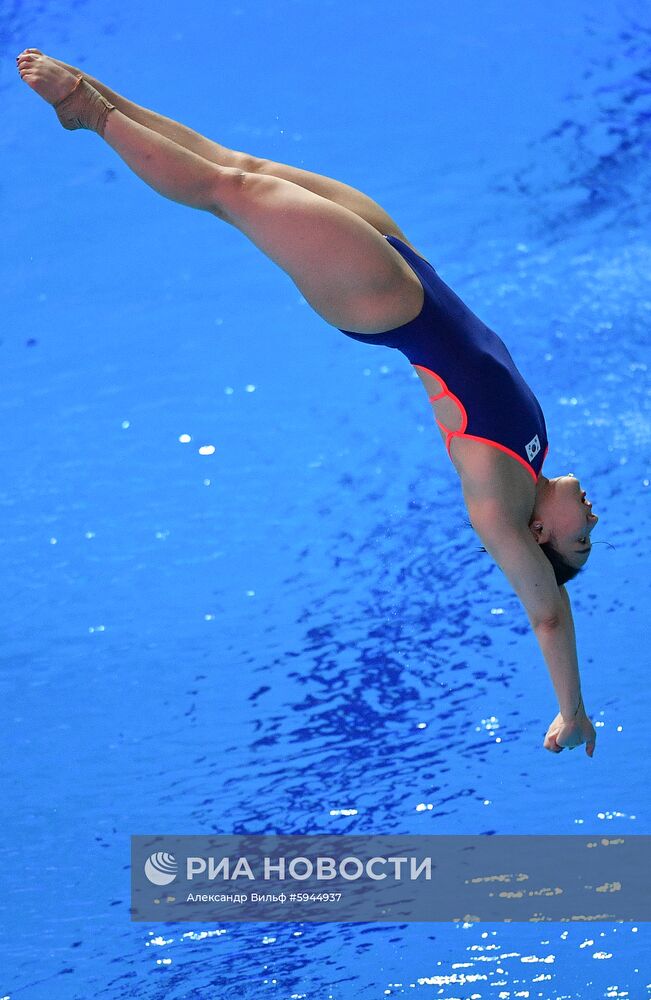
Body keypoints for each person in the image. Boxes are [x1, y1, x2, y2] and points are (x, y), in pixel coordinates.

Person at [16, 49, 598, 757]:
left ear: (541, 537)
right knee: (239, 167)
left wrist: (570, 710)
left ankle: (90, 109)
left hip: (384, 300)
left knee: (223, 187)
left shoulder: (498, 505)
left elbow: (546, 614)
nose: (590, 518)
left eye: (581, 537)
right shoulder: (532, 456)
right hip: (403, 262)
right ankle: (95, 101)